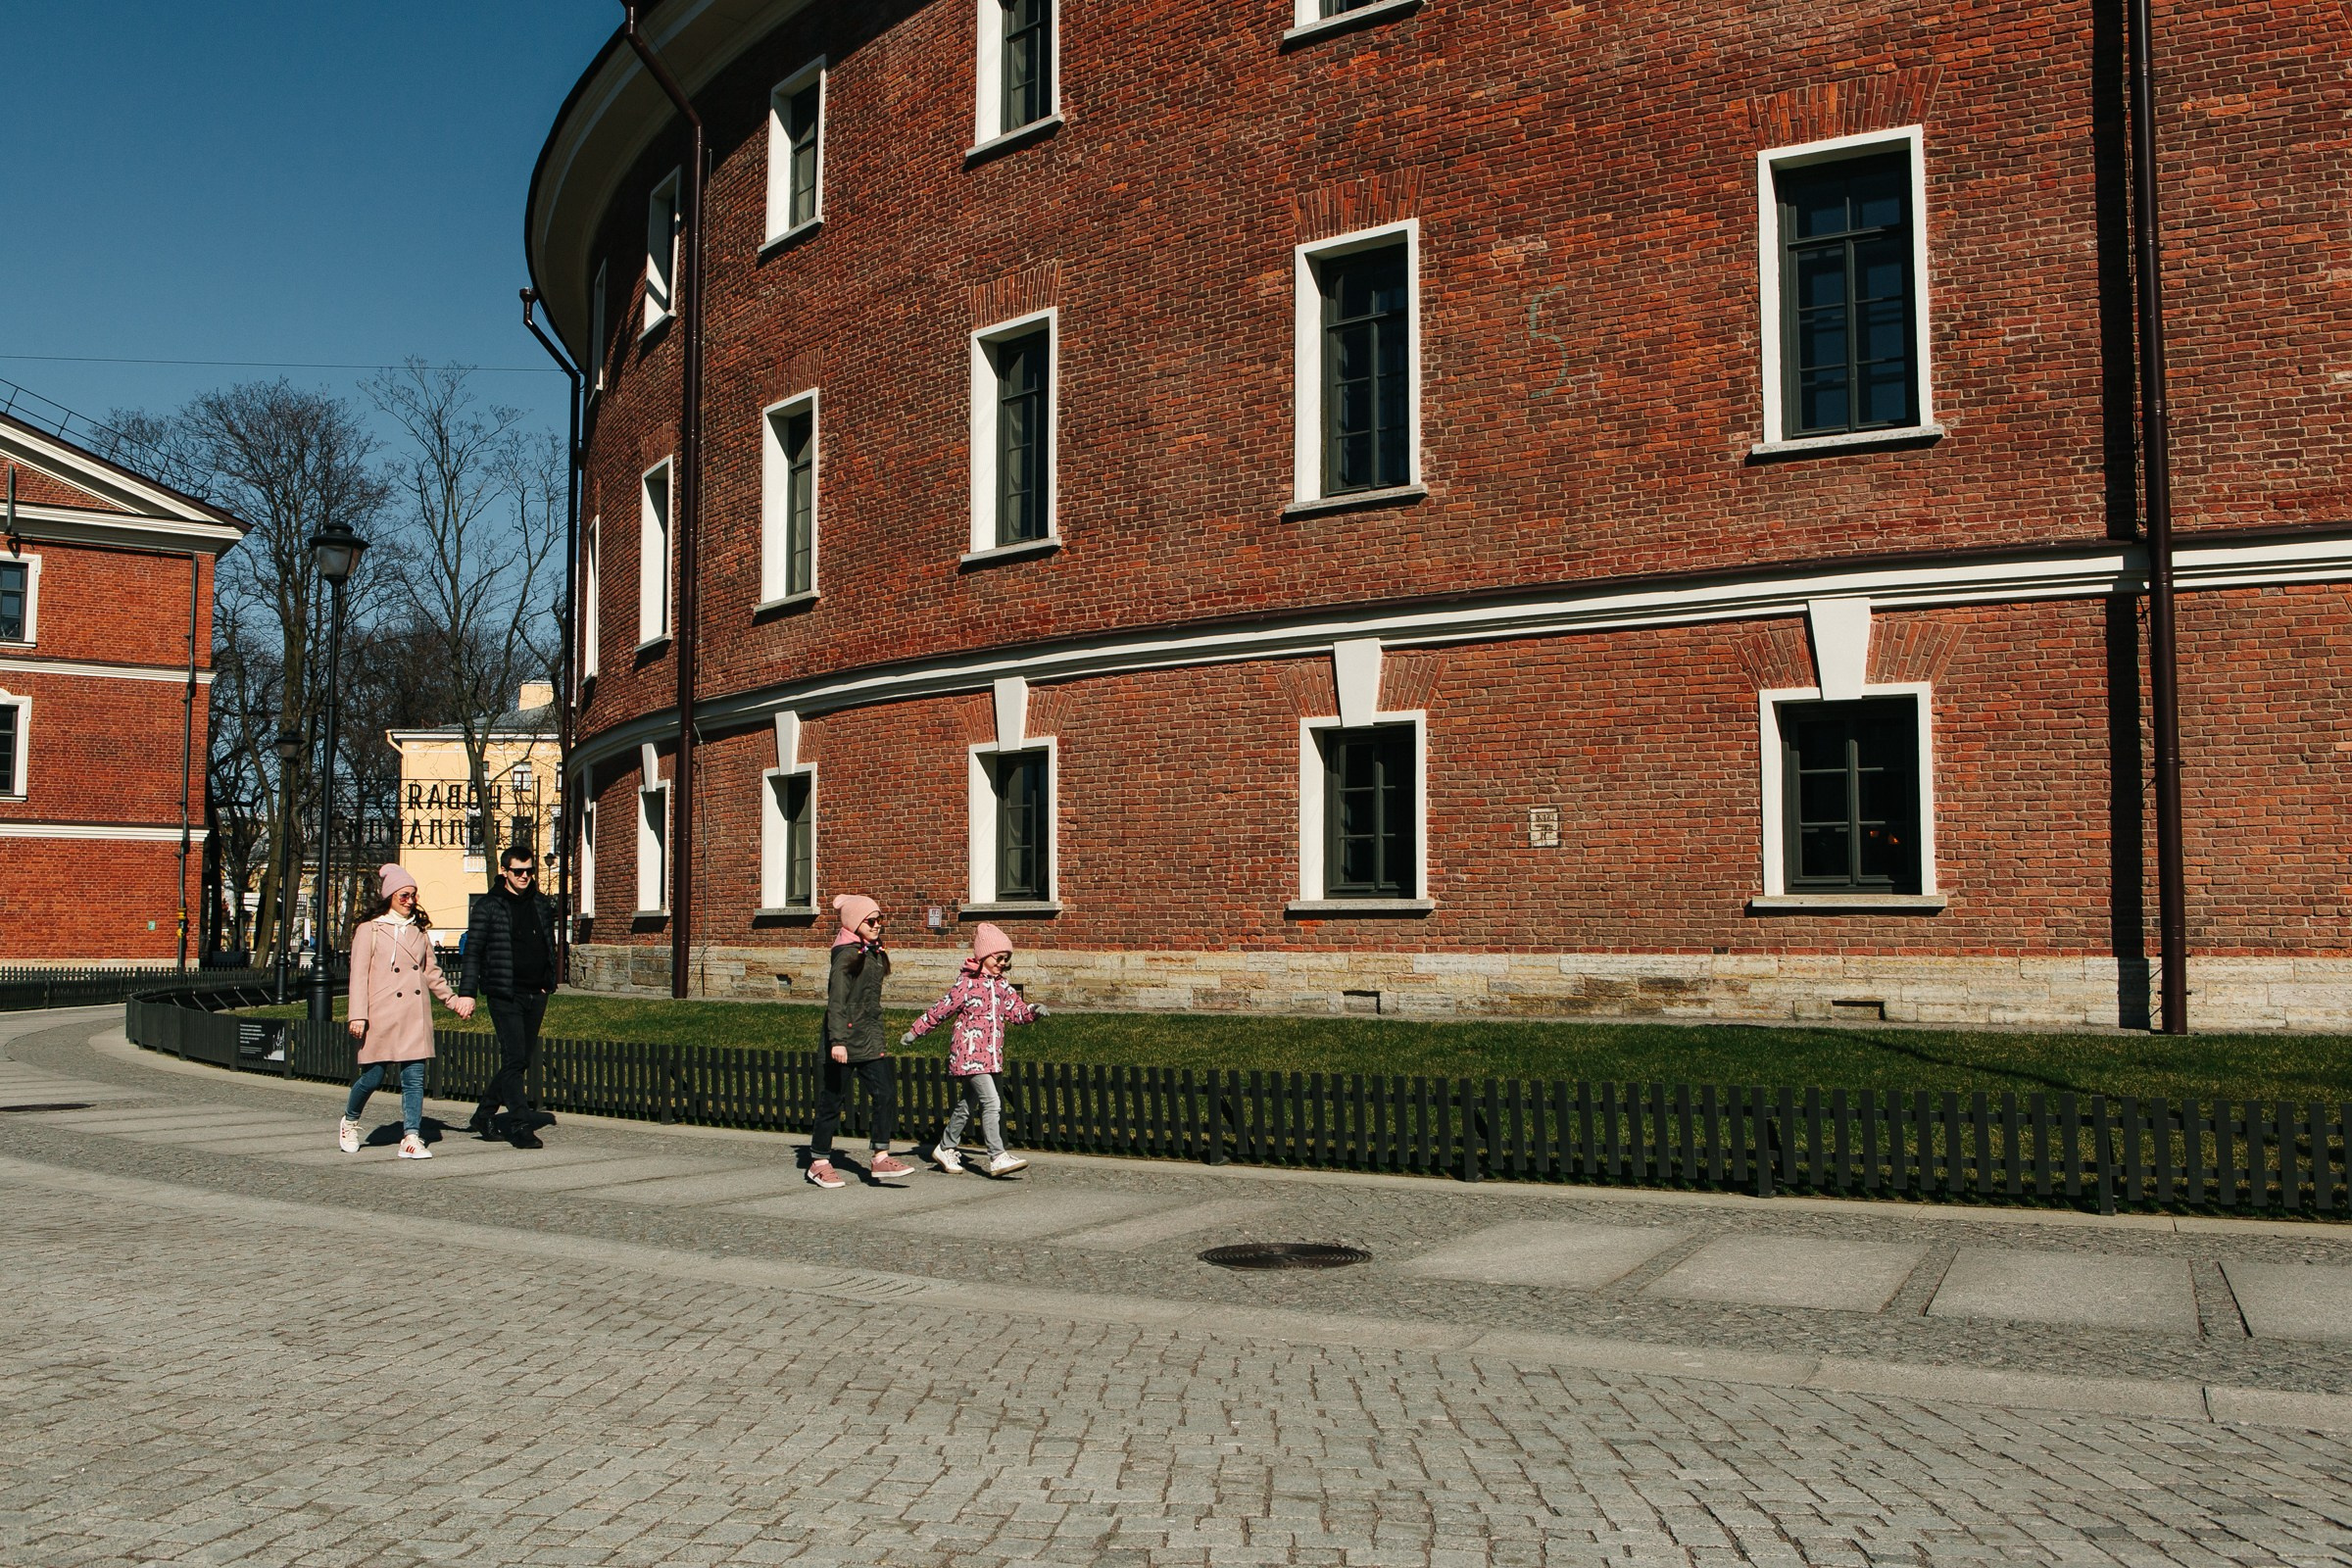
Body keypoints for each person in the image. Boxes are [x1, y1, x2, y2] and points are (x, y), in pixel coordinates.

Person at [339, 863, 474, 1157]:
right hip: (380, 1015)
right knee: (372, 1078)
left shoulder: (418, 932)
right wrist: (357, 1015)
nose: (410, 901)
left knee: (413, 1080)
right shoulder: (369, 930)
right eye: (404, 895)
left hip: (414, 1014)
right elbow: (358, 975)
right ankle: (350, 1121)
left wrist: (453, 1002)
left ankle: (411, 1138)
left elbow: (432, 974)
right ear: (390, 896)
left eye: (413, 895)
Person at [903, 922, 1046, 1176]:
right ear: (982, 956)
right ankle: (997, 1156)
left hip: (990, 1056)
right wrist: (915, 1031)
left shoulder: (1002, 986)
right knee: (992, 1101)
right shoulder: (966, 985)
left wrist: (1033, 1011)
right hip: (969, 1056)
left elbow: (1017, 1012)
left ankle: (945, 1147)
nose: (1002, 963)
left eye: (1006, 959)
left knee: (968, 1105)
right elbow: (941, 1009)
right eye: (998, 958)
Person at [806, 893, 913, 1188]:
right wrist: (836, 1040)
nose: (877, 924)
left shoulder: (873, 952)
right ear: (855, 923)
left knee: (886, 1093)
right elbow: (837, 1001)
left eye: (879, 920)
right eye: (871, 920)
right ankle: (818, 1162)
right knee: (832, 1101)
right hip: (843, 1041)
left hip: (868, 1040)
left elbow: (871, 1004)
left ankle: (880, 1157)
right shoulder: (847, 954)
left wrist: (878, 1040)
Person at [461, 846, 562, 1149]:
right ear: (505, 871)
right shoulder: (489, 906)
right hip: (504, 992)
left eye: (529, 871)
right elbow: (473, 952)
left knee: (518, 1061)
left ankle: (484, 1113)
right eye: (518, 871)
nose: (525, 876)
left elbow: (548, 943)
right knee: (514, 1057)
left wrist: (548, 981)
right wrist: (467, 993)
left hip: (536, 992)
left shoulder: (541, 904)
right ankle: (519, 1124)